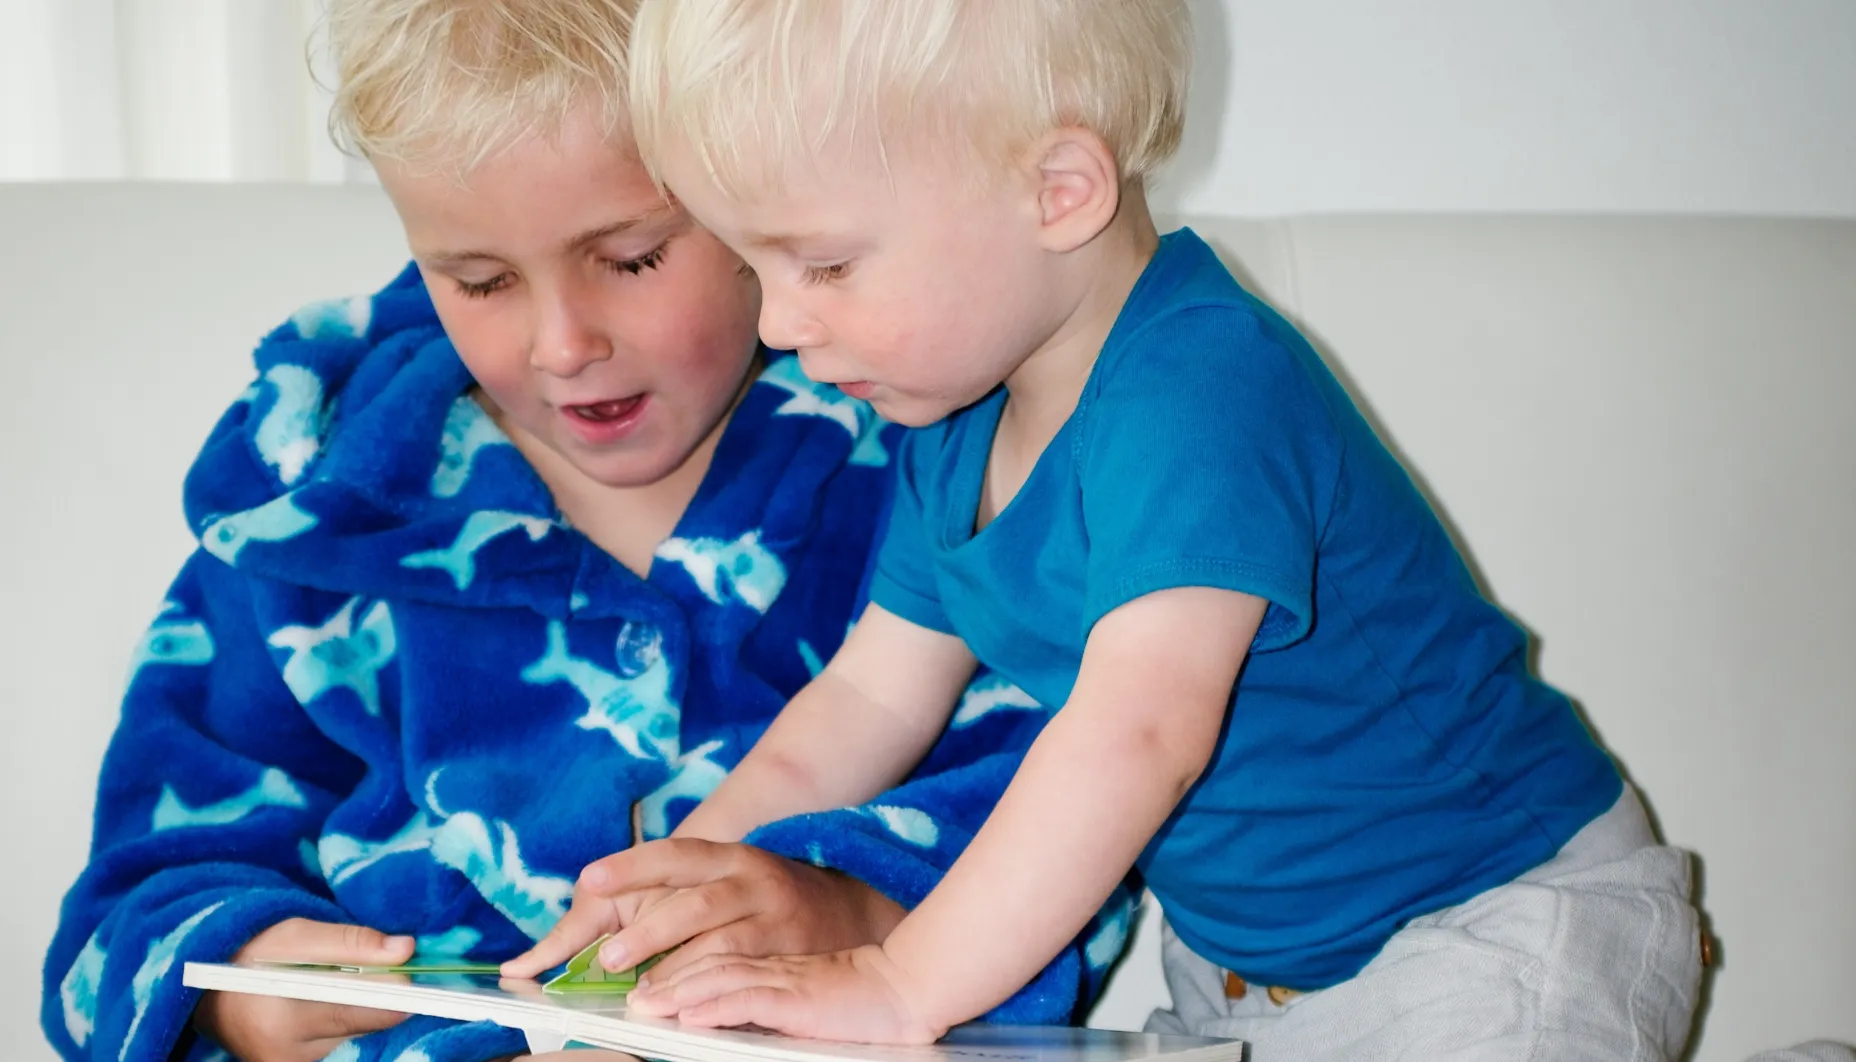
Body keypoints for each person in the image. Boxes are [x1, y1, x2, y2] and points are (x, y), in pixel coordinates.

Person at [564, 0, 1708, 1056]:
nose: (780, 321)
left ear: (1060, 190)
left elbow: (1137, 735)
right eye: (754, 264)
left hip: (1494, 922)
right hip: (1248, 984)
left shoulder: (1202, 386)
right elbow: (864, 702)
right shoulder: (954, 428)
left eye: (824, 264)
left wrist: (904, 983)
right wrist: (666, 890)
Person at [39, 3, 1126, 1060]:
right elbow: (134, 893)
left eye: (632, 258)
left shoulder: (928, 459)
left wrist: (852, 907)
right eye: (480, 280)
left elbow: (1083, 787)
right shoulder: (306, 521)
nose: (560, 344)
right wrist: (244, 991)